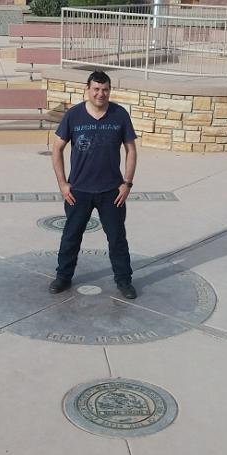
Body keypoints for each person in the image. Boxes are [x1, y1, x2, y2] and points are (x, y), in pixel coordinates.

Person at [49, 70, 139, 299]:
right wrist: (63, 184)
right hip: (78, 191)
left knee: (117, 239)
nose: (101, 94)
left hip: (112, 192)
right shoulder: (73, 115)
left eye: (105, 89)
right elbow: (57, 148)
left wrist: (127, 183)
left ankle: (124, 281)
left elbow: (131, 150)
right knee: (71, 237)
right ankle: (63, 277)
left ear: (110, 91)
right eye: (96, 89)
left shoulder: (119, 115)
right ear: (87, 90)